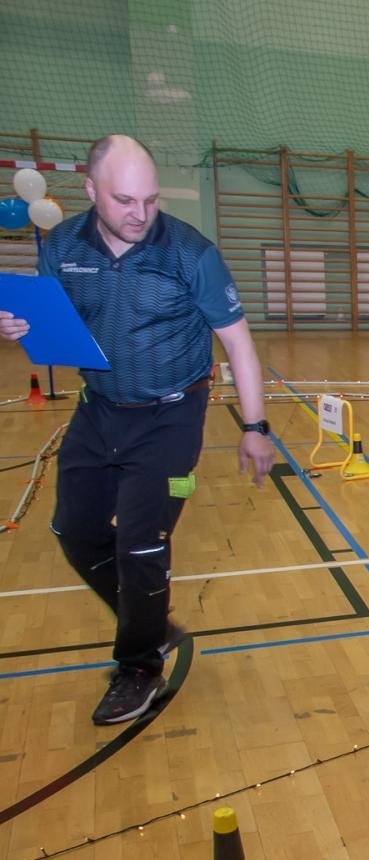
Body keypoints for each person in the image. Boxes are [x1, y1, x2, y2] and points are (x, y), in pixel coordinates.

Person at [0, 134, 274, 725]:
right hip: (99, 406)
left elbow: (239, 345)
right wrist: (19, 326)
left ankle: (139, 665)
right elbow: (56, 326)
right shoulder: (62, 247)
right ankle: (149, 622)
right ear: (91, 190)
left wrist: (255, 426)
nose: (140, 214)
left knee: (141, 542)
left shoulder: (190, 254)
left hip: (172, 414)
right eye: (125, 200)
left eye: (150, 200)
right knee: (74, 531)